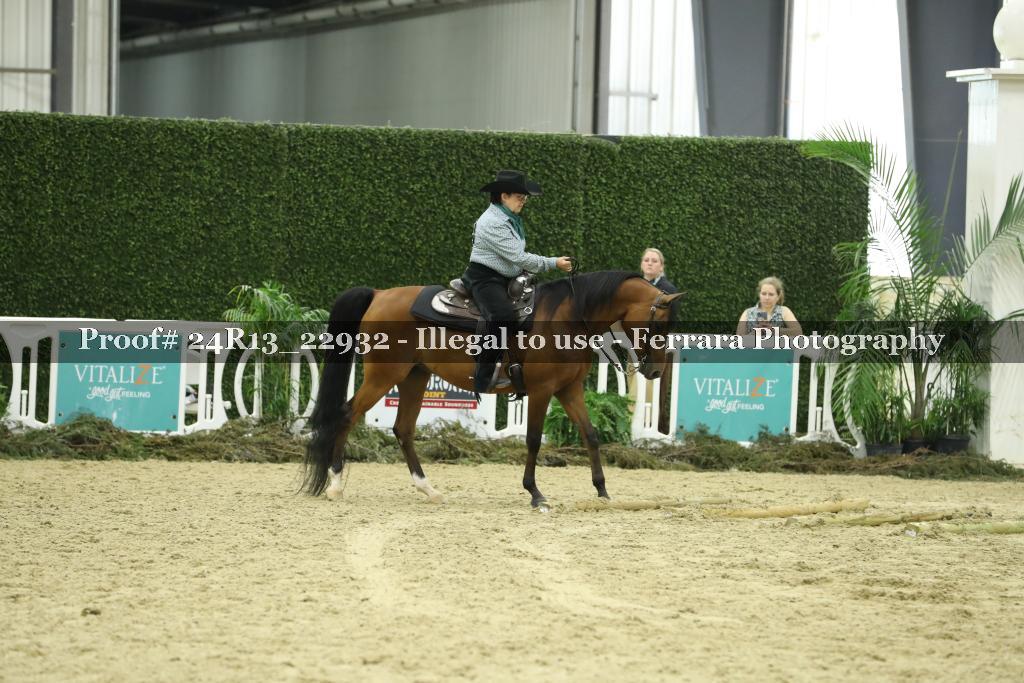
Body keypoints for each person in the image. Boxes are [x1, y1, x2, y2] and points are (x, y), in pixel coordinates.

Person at [462, 170, 572, 394]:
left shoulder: (508, 219)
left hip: (505, 277)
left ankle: (518, 367)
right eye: (520, 197)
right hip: (485, 278)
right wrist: (554, 263)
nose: (524, 201)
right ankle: (483, 376)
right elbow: (519, 257)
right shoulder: (492, 222)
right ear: (504, 196)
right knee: (502, 316)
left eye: (525, 198)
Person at [736, 276, 802, 336]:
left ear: (778, 296)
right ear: (759, 294)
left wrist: (773, 330)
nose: (767, 298)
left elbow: (798, 332)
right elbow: (739, 338)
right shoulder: (748, 312)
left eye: (771, 294)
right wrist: (755, 333)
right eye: (764, 294)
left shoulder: (784, 311)